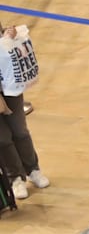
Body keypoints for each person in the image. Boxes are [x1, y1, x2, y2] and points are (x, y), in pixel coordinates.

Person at [0, 24, 46, 200]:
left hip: (9, 85)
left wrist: (9, 35)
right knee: (2, 139)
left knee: (20, 131)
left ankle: (33, 169)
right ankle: (15, 178)